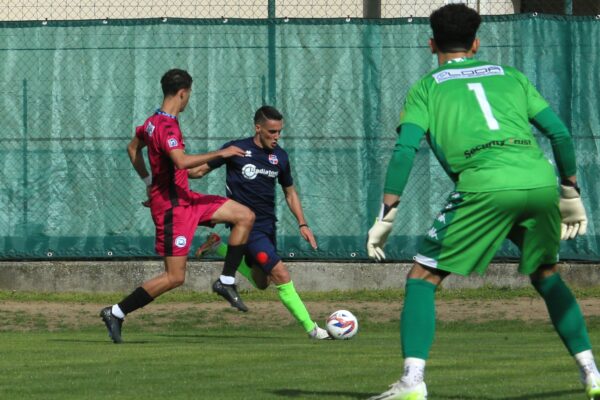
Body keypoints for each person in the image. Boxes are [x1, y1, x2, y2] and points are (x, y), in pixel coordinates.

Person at [366, 4, 597, 400]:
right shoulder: (511, 76)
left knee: (422, 279)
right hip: (537, 180)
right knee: (546, 275)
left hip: (485, 185)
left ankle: (412, 381)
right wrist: (571, 191)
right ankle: (591, 372)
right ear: (476, 43)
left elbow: (405, 150)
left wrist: (388, 212)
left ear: (431, 44)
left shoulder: (426, 87)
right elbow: (559, 134)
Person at [100, 68, 256, 344]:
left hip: (187, 199)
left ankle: (227, 281)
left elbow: (132, 149)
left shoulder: (151, 122)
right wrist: (221, 152)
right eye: (189, 95)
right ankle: (116, 312)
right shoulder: (167, 127)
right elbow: (181, 162)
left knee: (244, 215)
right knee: (175, 277)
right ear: (183, 93)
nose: (188, 100)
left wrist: (149, 181)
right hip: (173, 209)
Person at [189, 105, 331, 340]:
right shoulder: (237, 149)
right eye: (271, 132)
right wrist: (169, 179)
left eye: (279, 132)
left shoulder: (280, 157)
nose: (276, 137)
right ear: (258, 128)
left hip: (267, 227)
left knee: (262, 282)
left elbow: (290, 193)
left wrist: (303, 224)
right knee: (281, 274)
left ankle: (219, 247)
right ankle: (313, 329)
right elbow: (199, 171)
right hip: (245, 227)